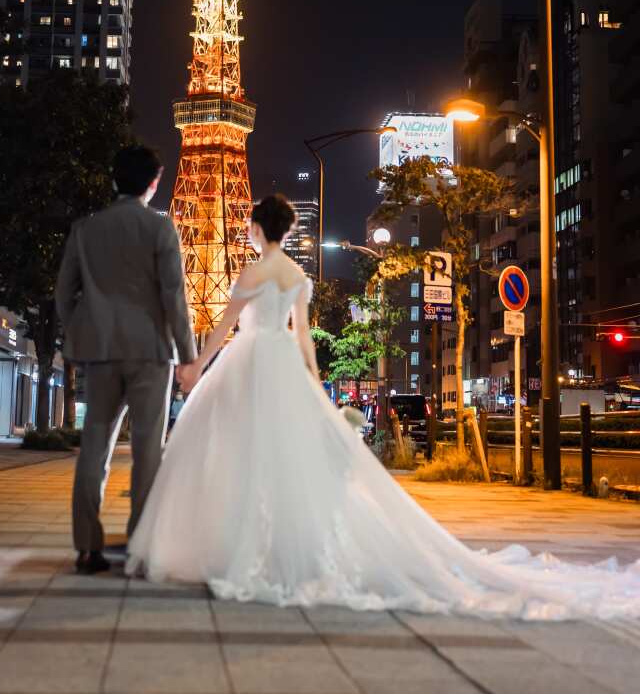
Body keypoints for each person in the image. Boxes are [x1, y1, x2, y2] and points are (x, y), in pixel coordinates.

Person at [127, 193, 640, 619]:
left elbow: (222, 327)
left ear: (259, 229)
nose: (247, 231)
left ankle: (233, 544)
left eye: (250, 226)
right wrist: (313, 385)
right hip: (281, 364)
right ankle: (286, 547)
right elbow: (302, 339)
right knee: (287, 458)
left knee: (234, 451)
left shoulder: (250, 274)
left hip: (245, 362)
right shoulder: (296, 277)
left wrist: (195, 367)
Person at [55, 144, 195, 574]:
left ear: (114, 178)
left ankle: (87, 547)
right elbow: (174, 296)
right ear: (153, 183)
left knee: (94, 445)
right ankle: (140, 545)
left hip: (101, 352)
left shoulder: (85, 228)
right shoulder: (160, 227)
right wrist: (188, 356)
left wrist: (85, 330)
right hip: (151, 351)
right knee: (148, 450)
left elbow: (63, 293)